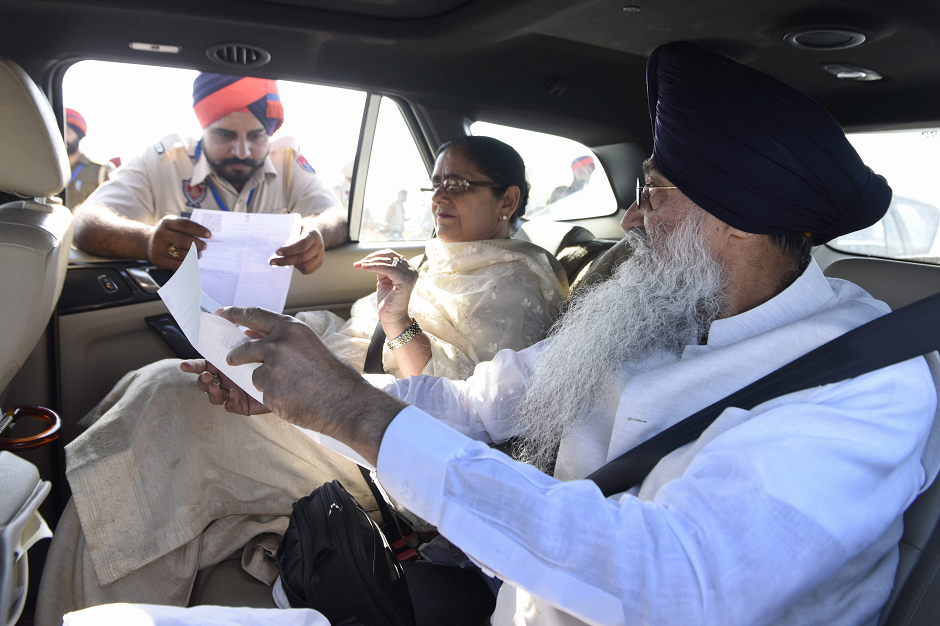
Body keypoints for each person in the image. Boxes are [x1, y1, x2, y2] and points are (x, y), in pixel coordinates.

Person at [183, 42, 938, 626]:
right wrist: (312, 395)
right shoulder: (659, 310)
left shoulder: (867, 385)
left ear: (737, 215)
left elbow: (675, 582)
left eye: (653, 194)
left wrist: (355, 414)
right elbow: (480, 405)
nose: (633, 220)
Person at [35, 136, 568, 624]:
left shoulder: (518, 285)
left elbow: (456, 420)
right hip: (339, 386)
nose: (439, 197)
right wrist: (291, 341)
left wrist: (396, 324)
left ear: (508, 201)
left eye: (459, 184)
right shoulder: (442, 258)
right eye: (437, 182)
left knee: (169, 401)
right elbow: (350, 331)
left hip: (377, 441)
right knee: (160, 381)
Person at [71, 73, 346, 274]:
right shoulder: (164, 161)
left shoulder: (287, 165)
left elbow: (338, 217)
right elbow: (85, 221)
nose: (241, 150)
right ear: (204, 129)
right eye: (225, 134)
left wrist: (316, 230)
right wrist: (146, 240)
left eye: (256, 136)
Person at [63, 108, 114, 210]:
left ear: (78, 136)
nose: (63, 136)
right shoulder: (47, 169)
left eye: (67, 131)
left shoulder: (100, 170)